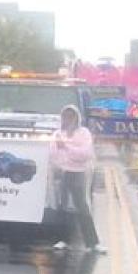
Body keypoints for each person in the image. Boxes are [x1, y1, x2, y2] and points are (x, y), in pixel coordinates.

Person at [51, 104, 105, 253]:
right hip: (63, 173)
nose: (68, 119)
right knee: (62, 206)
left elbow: (84, 154)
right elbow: (55, 155)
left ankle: (92, 243)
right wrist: (67, 156)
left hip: (79, 173)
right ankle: (62, 239)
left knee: (82, 206)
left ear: (76, 117)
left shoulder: (84, 133)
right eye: (66, 116)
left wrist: (67, 148)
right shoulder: (58, 134)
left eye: (71, 116)